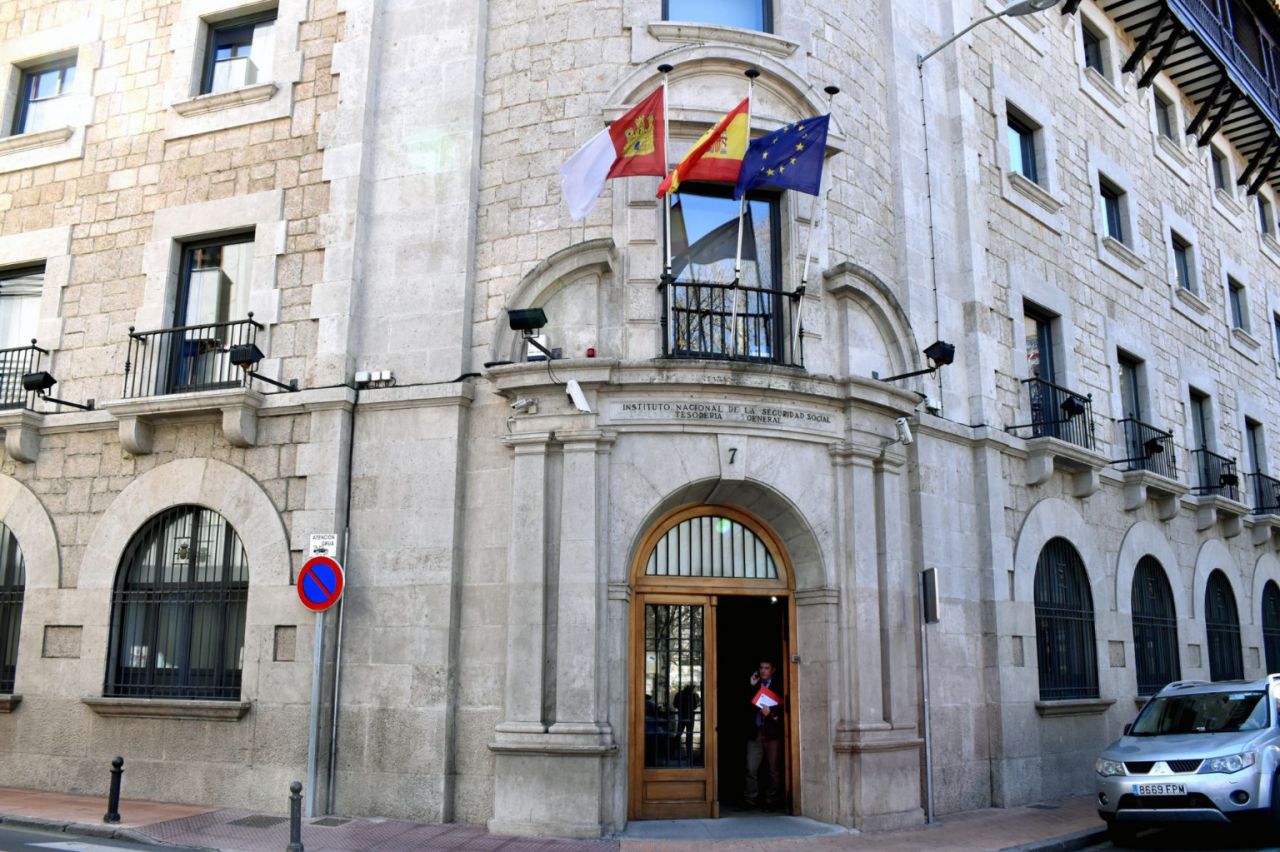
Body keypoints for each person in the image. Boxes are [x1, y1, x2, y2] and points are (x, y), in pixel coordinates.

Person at [745, 660, 783, 809]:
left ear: (773, 670)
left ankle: (771, 801)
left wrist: (771, 713)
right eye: (761, 667)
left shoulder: (780, 686)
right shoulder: (754, 685)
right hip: (755, 732)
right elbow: (744, 705)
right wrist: (751, 686)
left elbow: (786, 708)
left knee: (773, 769)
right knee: (751, 768)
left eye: (767, 668)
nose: (763, 671)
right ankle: (750, 799)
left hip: (772, 733)